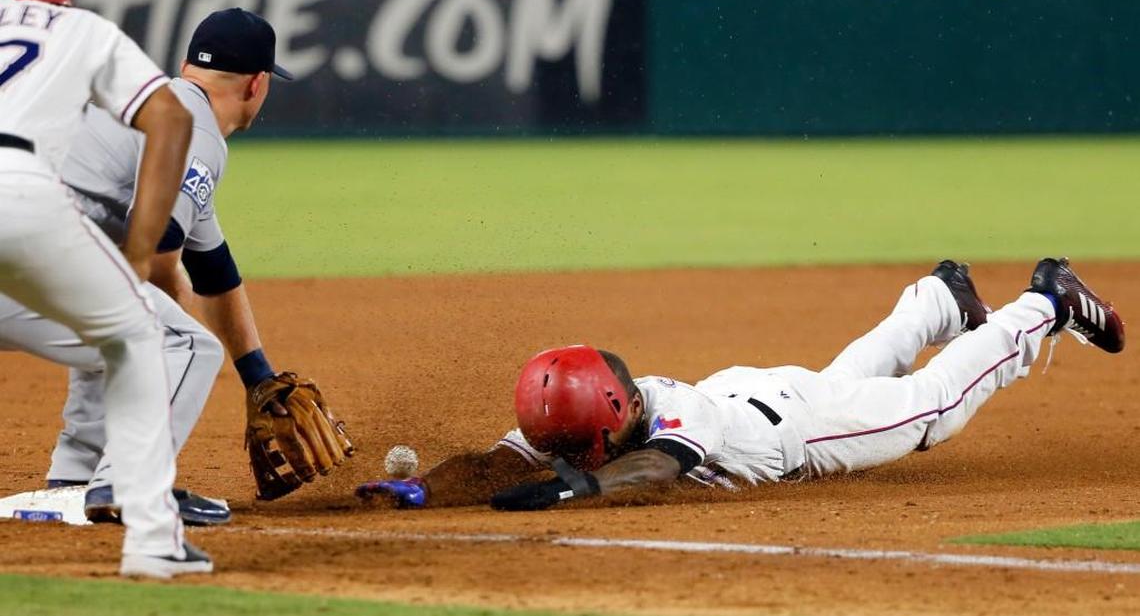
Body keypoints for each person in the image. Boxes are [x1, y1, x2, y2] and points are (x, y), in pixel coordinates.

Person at [355, 258, 1124, 510]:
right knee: (854, 378)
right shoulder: (576, 398)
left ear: (616, 413)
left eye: (578, 448)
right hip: (770, 393)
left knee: (934, 411)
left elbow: (654, 468)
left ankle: (1042, 303)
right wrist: (421, 486)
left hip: (799, 428)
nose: (567, 451)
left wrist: (571, 492)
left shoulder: (675, 419)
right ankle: (937, 300)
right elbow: (503, 460)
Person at [0, 7, 346, 520]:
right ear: (258, 84)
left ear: (187, 66)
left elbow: (215, 272)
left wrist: (258, 375)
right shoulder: (195, 130)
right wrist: (174, 314)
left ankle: (73, 481)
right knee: (184, 343)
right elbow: (162, 250)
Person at [0, 0, 209, 577]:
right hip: (25, 192)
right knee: (142, 339)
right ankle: (150, 541)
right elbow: (169, 118)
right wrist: (140, 254)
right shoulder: (86, 30)